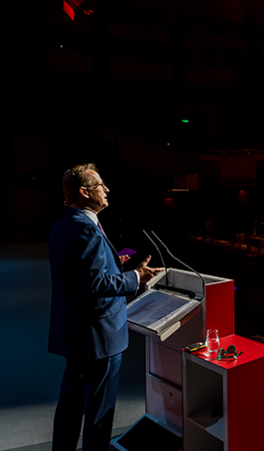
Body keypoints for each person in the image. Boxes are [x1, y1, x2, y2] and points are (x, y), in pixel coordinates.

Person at [48, 164, 164, 451]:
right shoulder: (86, 229)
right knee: (99, 413)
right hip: (98, 336)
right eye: (100, 184)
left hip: (75, 332)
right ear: (84, 192)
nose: (107, 189)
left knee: (70, 406)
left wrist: (114, 264)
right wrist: (136, 277)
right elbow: (96, 286)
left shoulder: (64, 223)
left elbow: (78, 273)